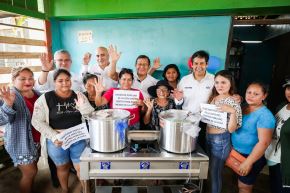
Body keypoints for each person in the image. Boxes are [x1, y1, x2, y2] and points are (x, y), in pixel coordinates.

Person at [32, 68, 94, 193]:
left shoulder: (79, 95)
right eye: (60, 81)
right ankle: (65, 190)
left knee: (81, 168)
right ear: (54, 82)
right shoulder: (45, 98)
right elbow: (36, 121)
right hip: (56, 141)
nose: (65, 83)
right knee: (62, 167)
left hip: (78, 137)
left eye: (67, 80)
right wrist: (53, 136)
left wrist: (83, 106)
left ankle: (86, 190)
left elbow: (90, 115)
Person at [0, 67, 40, 193]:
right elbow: (2, 120)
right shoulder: (10, 95)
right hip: (20, 143)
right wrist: (8, 104)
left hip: (36, 141)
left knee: (33, 172)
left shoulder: (36, 93)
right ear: (13, 80)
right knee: (30, 173)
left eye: (30, 78)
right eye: (22, 78)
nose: (27, 81)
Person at [231, 82, 275, 193]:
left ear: (264, 96)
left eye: (256, 94)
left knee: (244, 187)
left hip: (252, 156)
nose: (251, 96)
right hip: (236, 152)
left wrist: (248, 162)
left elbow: (264, 143)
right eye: (249, 92)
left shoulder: (265, 116)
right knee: (238, 183)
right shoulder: (243, 107)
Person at [206, 70, 242, 193]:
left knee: (215, 172)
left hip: (221, 140)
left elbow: (232, 129)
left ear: (230, 83)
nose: (219, 85)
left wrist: (232, 111)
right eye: (217, 82)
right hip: (208, 137)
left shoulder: (233, 101)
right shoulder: (214, 97)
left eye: (223, 82)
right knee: (209, 168)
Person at [265, 77, 290, 193]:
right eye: (289, 88)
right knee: (274, 188)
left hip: (285, 164)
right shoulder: (282, 106)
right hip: (273, 157)